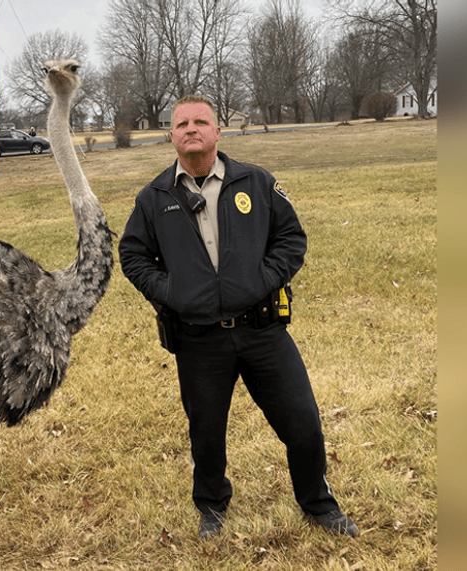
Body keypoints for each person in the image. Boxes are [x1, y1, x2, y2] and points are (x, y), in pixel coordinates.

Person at [118, 94, 358, 540]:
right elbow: (132, 255)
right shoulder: (154, 198)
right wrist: (171, 292)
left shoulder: (256, 182)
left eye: (200, 122)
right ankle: (212, 508)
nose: (191, 129)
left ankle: (319, 506)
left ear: (217, 132)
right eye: (182, 123)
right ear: (171, 135)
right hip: (199, 340)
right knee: (206, 434)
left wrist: (261, 279)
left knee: (302, 421)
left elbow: (291, 238)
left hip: (262, 329)